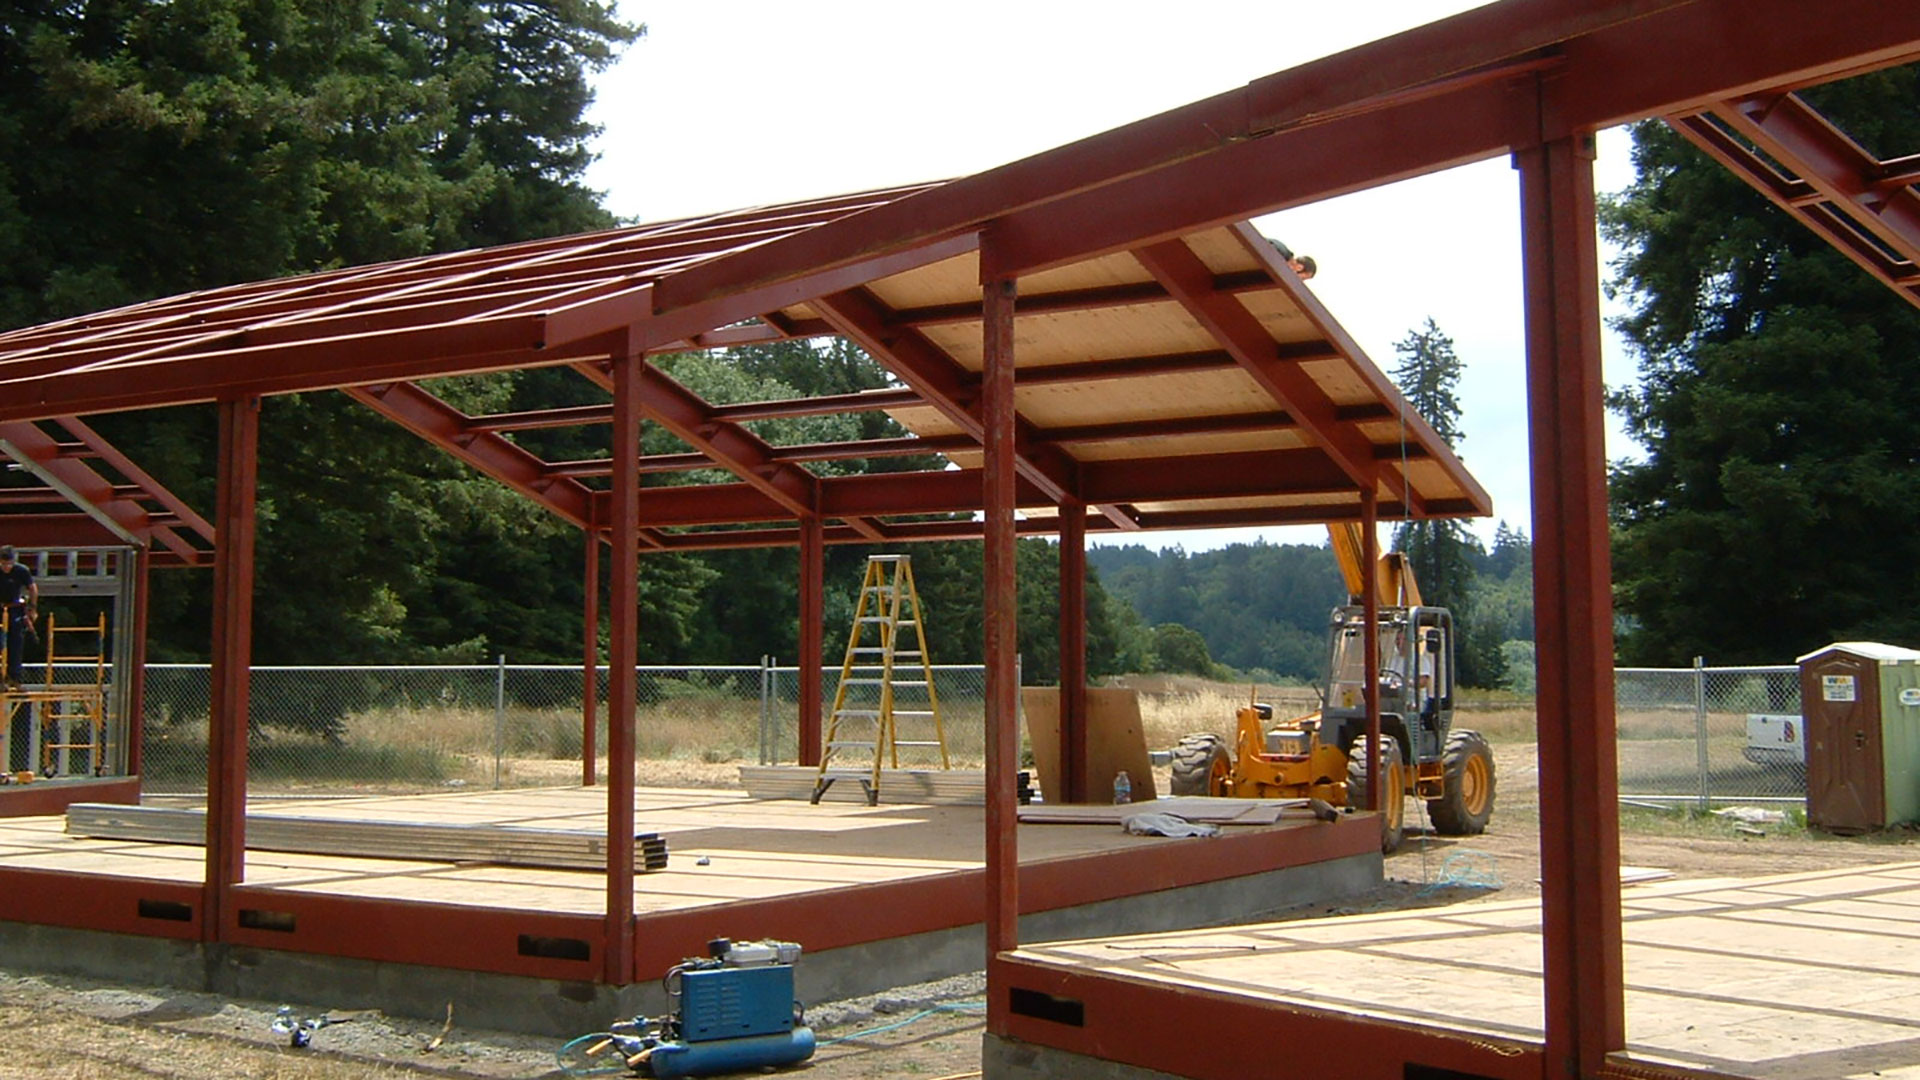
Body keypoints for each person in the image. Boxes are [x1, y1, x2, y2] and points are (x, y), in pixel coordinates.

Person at [0, 546, 36, 690]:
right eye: (3, 564)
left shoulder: (21, 571)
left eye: (9, 564)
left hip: (14, 608)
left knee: (16, 642)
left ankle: (13, 677)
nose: (7, 567)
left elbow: (32, 588)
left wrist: (32, 608)